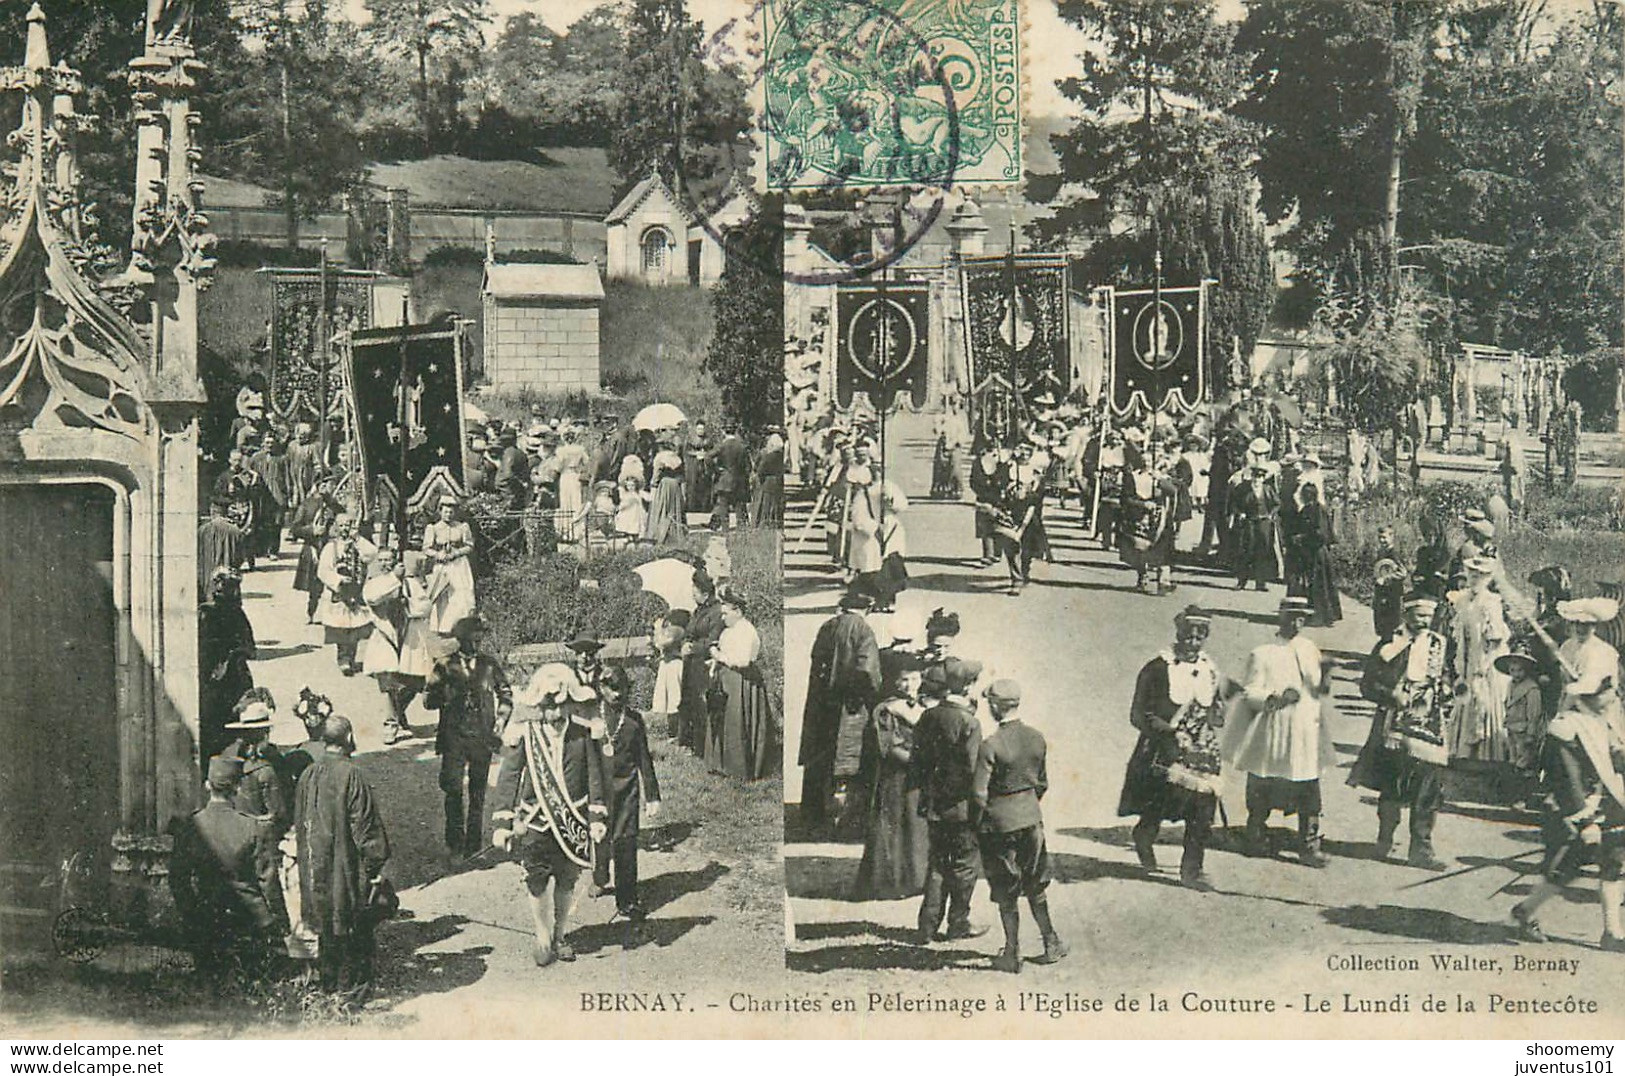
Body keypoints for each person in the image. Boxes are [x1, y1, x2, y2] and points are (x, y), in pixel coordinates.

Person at [1510, 597, 1625, 949]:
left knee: (1616, 855)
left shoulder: (1608, 719)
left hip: (1601, 802)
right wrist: (1584, 819)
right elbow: (1565, 777)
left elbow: (1616, 761)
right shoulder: (1566, 728)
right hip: (1568, 806)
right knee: (1565, 862)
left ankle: (1612, 932)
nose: (1609, 697)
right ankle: (1527, 911)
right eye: (1602, 692)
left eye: (1610, 690)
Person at [492, 664, 608, 966]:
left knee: (568, 880)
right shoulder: (525, 734)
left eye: (560, 706)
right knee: (537, 880)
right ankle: (542, 937)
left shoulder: (582, 734)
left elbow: (596, 777)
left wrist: (597, 818)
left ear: (570, 703)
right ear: (537, 705)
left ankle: (560, 934)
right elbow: (509, 777)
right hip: (536, 823)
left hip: (572, 821)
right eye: (547, 706)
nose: (555, 714)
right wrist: (503, 823)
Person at [1118, 606, 1234, 891]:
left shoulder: (1210, 669)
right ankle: (1144, 836)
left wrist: (1217, 714)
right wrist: (1169, 731)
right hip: (1164, 750)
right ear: (1178, 634)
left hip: (1201, 754)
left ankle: (1191, 871)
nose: (1193, 643)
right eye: (1188, 637)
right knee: (1159, 806)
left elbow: (1214, 712)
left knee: (1202, 810)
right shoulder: (1157, 668)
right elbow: (1138, 714)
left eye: (1199, 638)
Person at [1222, 596, 1337, 867]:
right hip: (1275, 728)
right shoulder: (1263, 653)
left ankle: (1309, 845)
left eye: (1301, 617)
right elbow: (1250, 691)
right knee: (1264, 780)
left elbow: (1318, 688)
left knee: (1308, 784)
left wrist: (1327, 674)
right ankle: (1255, 835)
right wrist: (1275, 698)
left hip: (1305, 730)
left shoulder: (1309, 648)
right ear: (1280, 618)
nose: (1296, 622)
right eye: (1291, 616)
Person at [1348, 596, 1452, 870]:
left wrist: (1449, 692)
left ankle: (1422, 849)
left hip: (1430, 725)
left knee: (1428, 787)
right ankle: (1385, 840)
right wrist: (1390, 695)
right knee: (1393, 784)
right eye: (1418, 616)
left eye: (1428, 617)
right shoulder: (1390, 645)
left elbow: (1448, 676)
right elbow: (1368, 684)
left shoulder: (1439, 645)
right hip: (1394, 725)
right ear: (1407, 616)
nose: (1424, 621)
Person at [295, 715, 391, 1002]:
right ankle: (353, 995)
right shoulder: (352, 775)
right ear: (348, 738)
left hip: (315, 869)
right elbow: (365, 827)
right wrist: (374, 866)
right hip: (345, 869)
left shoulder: (308, 774)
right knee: (355, 930)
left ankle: (328, 988)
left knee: (326, 929)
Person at [974, 678, 1065, 973]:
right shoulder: (1036, 738)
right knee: (1036, 883)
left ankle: (1012, 952)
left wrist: (981, 821)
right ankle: (1051, 942)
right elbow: (1042, 783)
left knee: (1005, 886)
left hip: (999, 823)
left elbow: (978, 793)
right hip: (1030, 818)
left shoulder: (991, 745)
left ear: (996, 706)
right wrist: (1026, 802)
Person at [168, 756, 281, 980]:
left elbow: (177, 879)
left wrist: (191, 912)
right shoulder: (253, 826)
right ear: (238, 788)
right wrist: (276, 921)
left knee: (210, 982)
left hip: (206, 919)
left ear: (207, 786)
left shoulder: (190, 827)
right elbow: (268, 880)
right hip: (249, 920)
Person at [909, 658, 987, 946]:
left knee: (938, 865)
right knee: (965, 867)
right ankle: (958, 923)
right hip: (961, 808)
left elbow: (917, 763)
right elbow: (972, 770)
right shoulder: (970, 722)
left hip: (934, 805)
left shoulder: (928, 717)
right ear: (967, 686)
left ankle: (926, 927)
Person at [424, 614, 511, 859]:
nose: (476, 643)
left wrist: (501, 721)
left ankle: (474, 846)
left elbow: (506, 694)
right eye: (472, 638)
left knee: (478, 792)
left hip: (482, 738)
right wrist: (441, 691)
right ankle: (455, 845)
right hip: (453, 738)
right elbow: (428, 702)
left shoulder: (489, 664)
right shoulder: (444, 665)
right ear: (460, 639)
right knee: (453, 790)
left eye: (479, 638)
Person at [799, 589, 883, 832]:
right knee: (849, 758)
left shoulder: (827, 626)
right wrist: (870, 695)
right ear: (865, 609)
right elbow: (867, 671)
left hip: (821, 704)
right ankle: (845, 819)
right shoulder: (863, 630)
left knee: (819, 756)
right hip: (850, 706)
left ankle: (813, 816)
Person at [852, 651, 929, 900]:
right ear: (895, 681)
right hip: (895, 776)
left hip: (917, 776)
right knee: (892, 825)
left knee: (916, 825)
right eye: (904, 680)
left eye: (915, 679)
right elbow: (890, 746)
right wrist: (921, 762)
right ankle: (889, 883)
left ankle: (916, 879)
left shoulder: (922, 705)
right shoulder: (886, 709)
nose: (910, 685)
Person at [592, 665, 661, 921]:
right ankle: (599, 875)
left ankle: (627, 900)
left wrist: (652, 795)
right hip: (598, 791)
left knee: (626, 841)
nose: (618, 694)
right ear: (601, 689)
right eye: (612, 689)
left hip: (627, 790)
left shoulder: (633, 721)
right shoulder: (592, 718)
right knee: (599, 837)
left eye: (623, 689)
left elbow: (644, 759)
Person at [362, 550, 438, 745]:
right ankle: (390, 724)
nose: (385, 563)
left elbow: (425, 607)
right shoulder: (373, 583)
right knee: (388, 683)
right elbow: (373, 599)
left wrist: (409, 606)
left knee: (414, 681)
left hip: (409, 637)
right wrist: (394, 578)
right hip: (386, 638)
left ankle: (398, 712)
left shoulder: (409, 582)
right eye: (381, 560)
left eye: (389, 560)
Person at [705, 586, 777, 780]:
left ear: (737, 611)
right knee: (724, 720)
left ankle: (740, 768)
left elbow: (743, 661)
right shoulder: (729, 630)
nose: (722, 618)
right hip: (727, 679)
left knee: (738, 721)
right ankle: (723, 764)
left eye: (725, 613)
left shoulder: (746, 631)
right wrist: (715, 661)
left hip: (741, 681)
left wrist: (719, 655)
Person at [1449, 555, 1511, 762]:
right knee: (1466, 701)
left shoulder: (1491, 603)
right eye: (1472, 575)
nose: (1475, 579)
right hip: (1468, 661)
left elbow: (1495, 640)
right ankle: (1464, 754)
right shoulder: (1464, 600)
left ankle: (1488, 757)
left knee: (1484, 702)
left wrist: (1483, 667)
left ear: (1488, 578)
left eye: (1480, 576)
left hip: (1487, 663)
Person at [199, 568, 256, 774]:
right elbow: (250, 648)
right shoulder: (211, 613)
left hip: (224, 677)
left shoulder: (219, 613)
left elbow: (249, 647)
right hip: (221, 678)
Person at [316, 513, 377, 676]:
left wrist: (358, 539)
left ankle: (351, 657)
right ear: (336, 527)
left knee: (354, 627)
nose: (345, 529)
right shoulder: (331, 547)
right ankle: (343, 659)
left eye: (348, 525)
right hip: (339, 593)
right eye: (341, 525)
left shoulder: (359, 544)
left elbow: (372, 555)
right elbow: (323, 570)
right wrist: (338, 579)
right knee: (341, 628)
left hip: (357, 590)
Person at [680, 573, 726, 754]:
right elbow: (690, 632)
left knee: (703, 705)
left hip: (705, 664)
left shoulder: (716, 612)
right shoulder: (698, 610)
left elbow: (714, 641)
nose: (692, 594)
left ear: (705, 594)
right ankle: (692, 743)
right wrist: (685, 643)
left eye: (695, 591)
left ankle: (704, 748)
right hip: (692, 665)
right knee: (690, 703)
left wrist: (694, 648)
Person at [1287, 483, 1341, 626]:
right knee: (1313, 584)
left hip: (1318, 553)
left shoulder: (1318, 510)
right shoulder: (1306, 509)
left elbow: (1321, 534)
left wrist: (1302, 537)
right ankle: (1317, 613)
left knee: (1321, 584)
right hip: (1309, 552)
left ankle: (1326, 616)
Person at [288, 474, 339, 623]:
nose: (330, 488)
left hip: (331, 547)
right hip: (313, 548)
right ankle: (312, 612)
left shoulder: (335, 505)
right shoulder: (307, 504)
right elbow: (295, 528)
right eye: (327, 484)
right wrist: (311, 530)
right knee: (314, 585)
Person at [422, 497, 476, 635]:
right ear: (440, 512)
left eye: (451, 511)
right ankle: (441, 627)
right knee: (441, 595)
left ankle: (458, 626)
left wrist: (456, 553)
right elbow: (426, 548)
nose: (449, 514)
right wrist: (437, 554)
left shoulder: (462, 527)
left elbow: (469, 546)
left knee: (460, 594)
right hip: (442, 565)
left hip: (459, 565)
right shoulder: (433, 528)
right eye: (446, 511)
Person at [1228, 461, 1280, 592]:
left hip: (1264, 523)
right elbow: (1234, 503)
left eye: (1260, 477)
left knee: (1262, 552)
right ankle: (1241, 581)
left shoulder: (1268, 489)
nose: (1257, 480)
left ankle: (1260, 583)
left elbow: (1277, 504)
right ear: (1251, 477)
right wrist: (1240, 513)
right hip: (1249, 523)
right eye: (1255, 477)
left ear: (1263, 479)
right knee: (1246, 551)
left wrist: (1271, 515)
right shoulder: (1243, 489)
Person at [1498, 639, 1545, 778]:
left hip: (1524, 730)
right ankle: (1513, 782)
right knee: (1513, 757)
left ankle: (1524, 783)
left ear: (1526, 670)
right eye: (1513, 670)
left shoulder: (1531, 688)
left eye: (1520, 670)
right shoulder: (1510, 685)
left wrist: (1531, 733)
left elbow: (1534, 713)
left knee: (1525, 758)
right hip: (1512, 727)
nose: (1516, 674)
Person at [650, 608, 689, 741]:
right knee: (668, 699)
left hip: (674, 665)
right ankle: (673, 732)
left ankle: (677, 733)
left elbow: (661, 643)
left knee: (675, 699)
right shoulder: (671, 630)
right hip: (667, 664)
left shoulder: (678, 630)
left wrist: (658, 629)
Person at [643, 433, 687, 546]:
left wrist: (653, 486)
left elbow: (656, 475)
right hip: (675, 485)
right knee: (673, 509)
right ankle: (673, 533)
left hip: (664, 484)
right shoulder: (676, 457)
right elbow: (682, 475)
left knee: (661, 509)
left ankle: (660, 533)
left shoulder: (659, 457)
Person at [198, 495, 248, 595]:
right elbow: (241, 558)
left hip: (207, 583)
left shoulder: (202, 530)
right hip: (229, 584)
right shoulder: (236, 531)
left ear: (213, 511)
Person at [711, 424, 750, 531]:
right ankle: (741, 529)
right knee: (739, 507)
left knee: (723, 506)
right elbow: (748, 466)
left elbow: (707, 457)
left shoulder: (722, 446)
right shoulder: (742, 446)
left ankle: (725, 529)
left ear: (724, 432)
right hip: (738, 481)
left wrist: (716, 469)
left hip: (724, 480)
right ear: (735, 432)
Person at [1371, 526, 1408, 642]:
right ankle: (1384, 643)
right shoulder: (1381, 552)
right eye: (1380, 538)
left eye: (1384, 537)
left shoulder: (1394, 553)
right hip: (1381, 592)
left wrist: (1386, 578)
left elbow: (1403, 572)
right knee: (1381, 618)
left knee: (1393, 620)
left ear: (1392, 537)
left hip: (1393, 593)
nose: (1382, 540)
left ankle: (1390, 647)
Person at [752, 429, 785, 527]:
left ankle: (762, 523)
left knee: (765, 505)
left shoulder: (768, 455)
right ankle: (775, 523)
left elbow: (760, 469)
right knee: (775, 505)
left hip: (767, 482)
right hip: (777, 482)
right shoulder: (780, 454)